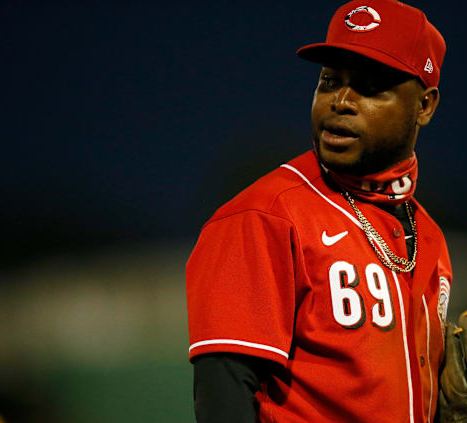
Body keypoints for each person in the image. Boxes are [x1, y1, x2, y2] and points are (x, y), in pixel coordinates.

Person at [186, 1, 450, 421]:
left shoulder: (429, 236)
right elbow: (224, 397)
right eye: (329, 81)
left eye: (368, 87)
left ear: (425, 105)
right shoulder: (264, 217)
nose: (340, 101)